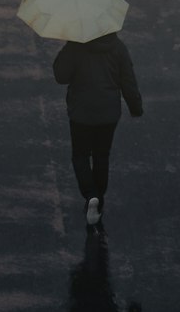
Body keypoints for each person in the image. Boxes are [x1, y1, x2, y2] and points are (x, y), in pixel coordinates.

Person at [52, 28, 143, 224]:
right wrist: (135, 107)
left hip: (81, 112)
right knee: (102, 155)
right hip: (108, 113)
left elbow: (61, 76)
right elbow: (128, 80)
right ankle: (98, 202)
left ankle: (90, 194)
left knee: (80, 155)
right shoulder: (117, 47)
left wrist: (65, 49)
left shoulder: (76, 46)